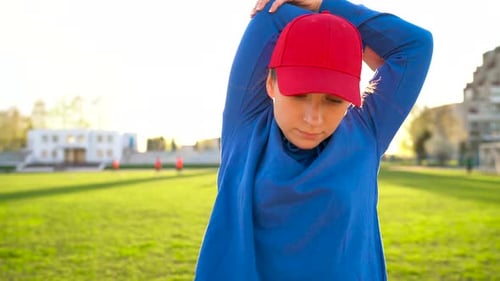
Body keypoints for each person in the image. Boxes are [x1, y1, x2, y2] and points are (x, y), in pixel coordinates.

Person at [195, 0, 433, 280]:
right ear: (271, 84)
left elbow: (416, 45)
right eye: (299, 94)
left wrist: (325, 4)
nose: (313, 118)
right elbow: (269, 13)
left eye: (333, 100)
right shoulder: (246, 128)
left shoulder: (366, 133)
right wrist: (329, 24)